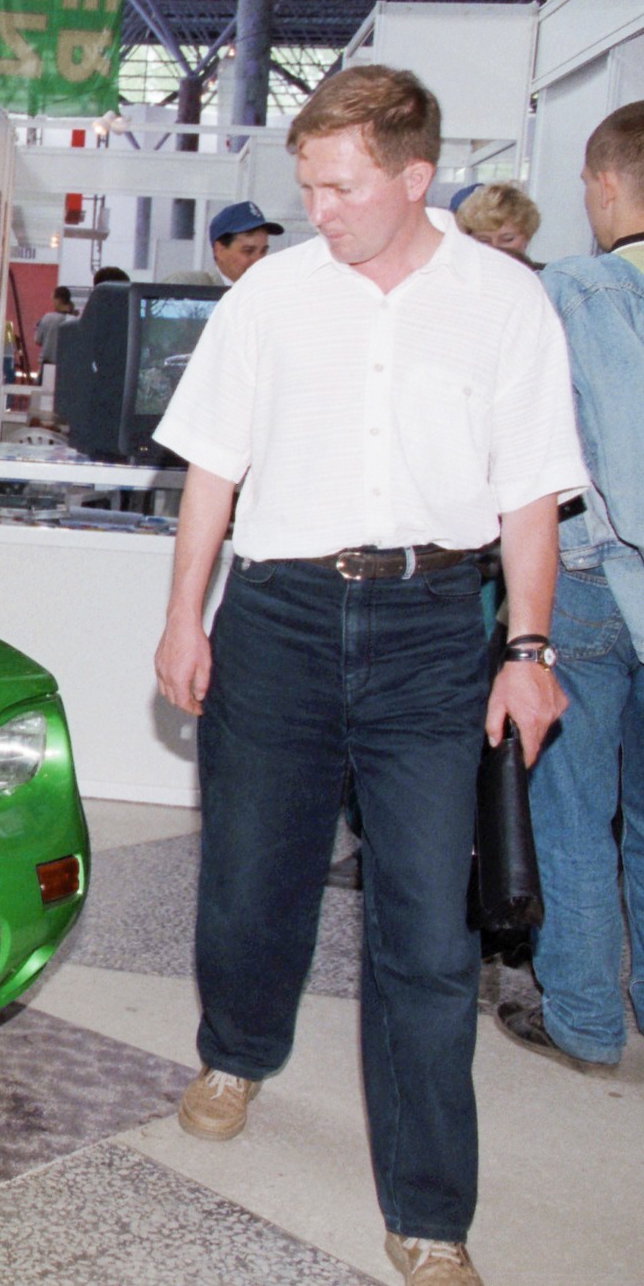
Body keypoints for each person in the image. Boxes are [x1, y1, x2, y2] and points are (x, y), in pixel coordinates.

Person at [151, 66, 586, 1286]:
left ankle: (430, 1213)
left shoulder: (504, 303)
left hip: (432, 630)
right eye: (307, 186)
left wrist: (528, 651)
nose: (317, 210)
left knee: (428, 935)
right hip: (279, 619)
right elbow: (211, 469)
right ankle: (236, 1050)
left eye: (339, 187)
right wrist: (184, 618)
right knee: (251, 882)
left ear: (414, 176)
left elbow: (528, 497)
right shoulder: (273, 297)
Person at [496, 102, 644, 1073]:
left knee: (572, 806)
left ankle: (586, 1019)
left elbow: (613, 455)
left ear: (604, 183)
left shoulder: (579, 289)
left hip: (593, 578)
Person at [169, 201, 283, 287]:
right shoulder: (189, 285)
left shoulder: (269, 293)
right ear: (219, 250)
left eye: (263, 251)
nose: (259, 261)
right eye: (248, 251)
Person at [455, 181, 543, 269]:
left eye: (507, 239)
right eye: (484, 241)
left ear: (528, 236)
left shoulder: (546, 276)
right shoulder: (454, 274)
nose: (495, 247)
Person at [34, 285, 75, 368]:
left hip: (47, 365)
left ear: (58, 300)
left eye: (53, 299)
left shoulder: (48, 318)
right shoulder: (75, 321)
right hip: (67, 366)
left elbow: (37, 340)